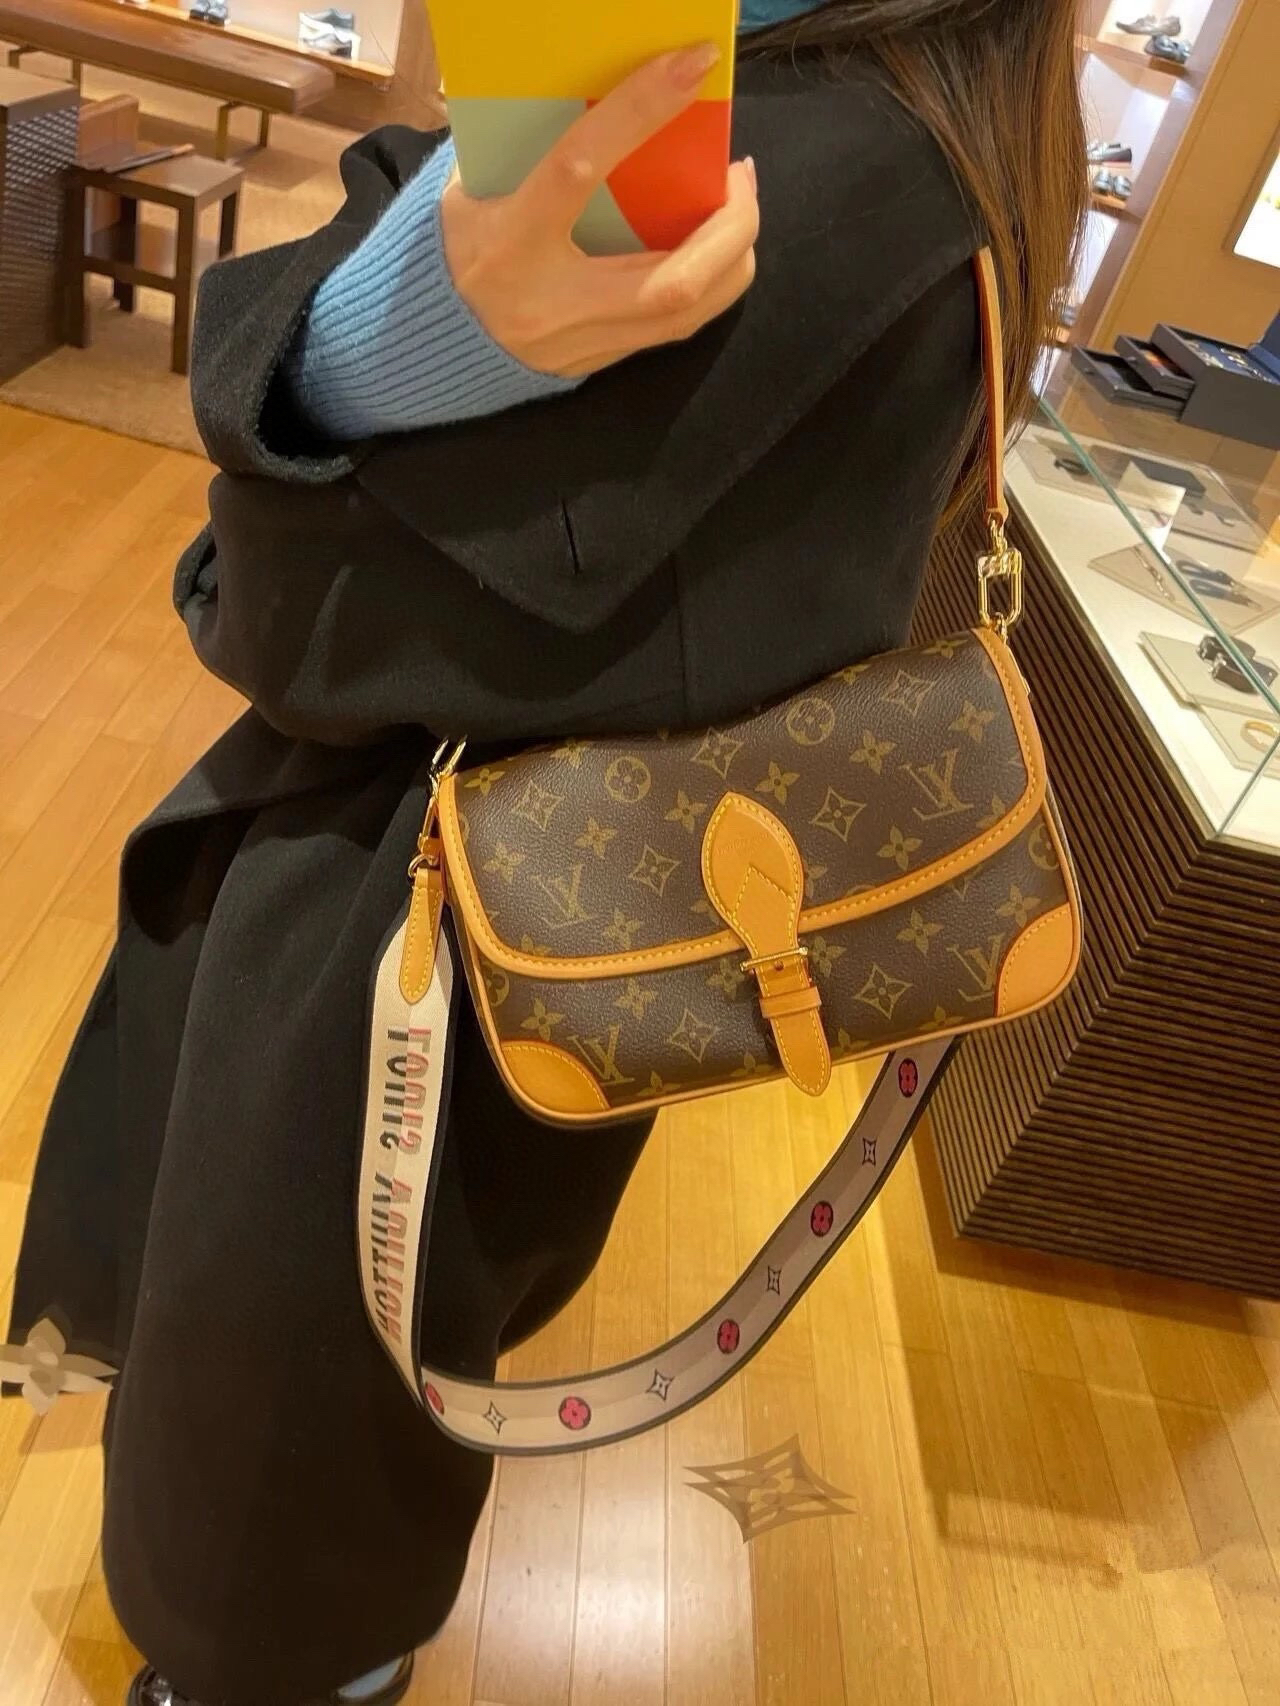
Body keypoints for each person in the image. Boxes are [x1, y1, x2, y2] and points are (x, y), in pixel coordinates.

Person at [7, 2, 1085, 1702]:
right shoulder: (949, 127)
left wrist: (378, 332)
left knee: (285, 1397)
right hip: (564, 902)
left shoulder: (774, 158)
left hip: (402, 917)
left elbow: (275, 595)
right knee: (373, 1344)